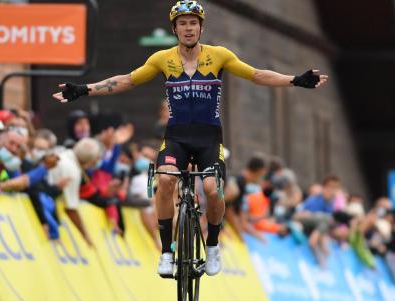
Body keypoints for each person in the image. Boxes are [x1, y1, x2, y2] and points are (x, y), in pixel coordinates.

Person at [53, 0, 329, 276]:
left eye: (193, 23)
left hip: (209, 139)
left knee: (212, 190)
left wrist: (295, 79)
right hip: (176, 137)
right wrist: (82, 89)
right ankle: (165, 253)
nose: (188, 28)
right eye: (182, 23)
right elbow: (127, 80)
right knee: (165, 180)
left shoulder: (219, 55)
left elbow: (256, 75)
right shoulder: (162, 59)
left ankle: (211, 246)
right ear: (174, 29)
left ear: (201, 27)